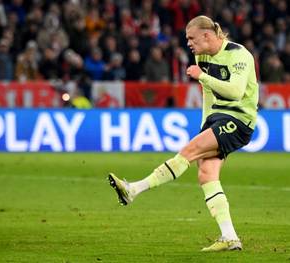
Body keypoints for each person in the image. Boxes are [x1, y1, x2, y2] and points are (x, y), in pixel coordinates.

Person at [108, 15, 258, 252]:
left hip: (239, 120)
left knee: (188, 151)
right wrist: (206, 126)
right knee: (206, 174)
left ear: (207, 36)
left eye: (191, 38)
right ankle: (230, 237)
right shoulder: (202, 55)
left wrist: (202, 76)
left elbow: (236, 92)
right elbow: (209, 95)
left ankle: (133, 190)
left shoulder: (239, 55)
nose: (188, 43)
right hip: (217, 119)